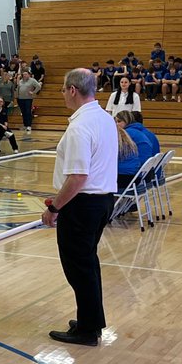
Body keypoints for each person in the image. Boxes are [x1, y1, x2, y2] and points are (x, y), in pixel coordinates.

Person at [42, 69, 118, 346]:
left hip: (83, 205)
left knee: (79, 268)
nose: (62, 94)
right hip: (102, 201)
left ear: (73, 90)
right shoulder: (105, 118)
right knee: (88, 264)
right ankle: (90, 321)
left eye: (63, 89)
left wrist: (54, 208)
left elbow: (78, 177)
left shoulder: (80, 126)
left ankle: (88, 330)